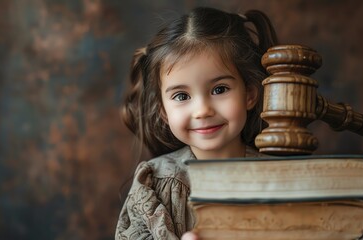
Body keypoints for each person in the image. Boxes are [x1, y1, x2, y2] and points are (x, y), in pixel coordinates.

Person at [115, 6, 277, 239]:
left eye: (220, 89)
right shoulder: (154, 185)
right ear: (163, 110)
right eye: (182, 96)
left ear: (249, 95)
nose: (202, 110)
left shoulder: (281, 176)